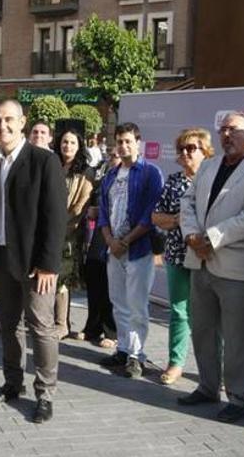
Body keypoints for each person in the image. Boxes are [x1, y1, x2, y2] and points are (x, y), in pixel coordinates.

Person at [176, 112, 244, 423]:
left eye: (232, 129)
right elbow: (187, 203)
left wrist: (210, 238)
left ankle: (238, 396)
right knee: (203, 329)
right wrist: (192, 235)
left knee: (236, 336)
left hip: (234, 266)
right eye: (222, 130)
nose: (225, 135)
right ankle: (208, 386)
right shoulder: (208, 165)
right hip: (199, 260)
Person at [0, 99, 66, 424]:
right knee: (9, 324)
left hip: (36, 263)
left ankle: (45, 393)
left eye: (8, 120)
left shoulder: (44, 161)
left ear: (22, 122)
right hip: (2, 256)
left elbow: (55, 216)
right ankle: (12, 383)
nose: (1, 126)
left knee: (42, 327)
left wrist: (49, 264)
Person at [97, 123, 164, 379]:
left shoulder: (150, 173)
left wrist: (125, 241)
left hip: (138, 249)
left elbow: (150, 214)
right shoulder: (110, 176)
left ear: (138, 143)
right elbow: (103, 211)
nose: (123, 146)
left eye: (128, 141)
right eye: (120, 141)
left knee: (137, 305)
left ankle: (137, 355)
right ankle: (123, 349)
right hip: (114, 250)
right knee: (119, 302)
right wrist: (110, 241)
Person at [151, 128, 214, 385]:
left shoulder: (214, 180)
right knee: (179, 311)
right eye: (182, 149)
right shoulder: (174, 181)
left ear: (205, 152)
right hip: (178, 254)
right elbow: (157, 217)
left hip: (209, 256)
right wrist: (180, 219)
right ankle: (176, 362)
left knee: (210, 314)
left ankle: (213, 369)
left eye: (192, 148)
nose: (186, 153)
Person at [53, 127, 93, 339]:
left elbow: (80, 206)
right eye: (64, 142)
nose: (67, 146)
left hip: (69, 233)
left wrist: (61, 226)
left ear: (79, 147)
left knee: (62, 278)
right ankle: (56, 321)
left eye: (72, 143)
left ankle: (62, 324)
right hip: (51, 229)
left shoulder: (86, 172)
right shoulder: (53, 166)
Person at [76, 192, 117, 349]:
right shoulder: (105, 174)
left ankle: (111, 332)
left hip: (117, 232)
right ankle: (93, 327)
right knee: (93, 273)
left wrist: (99, 211)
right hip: (99, 231)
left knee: (108, 282)